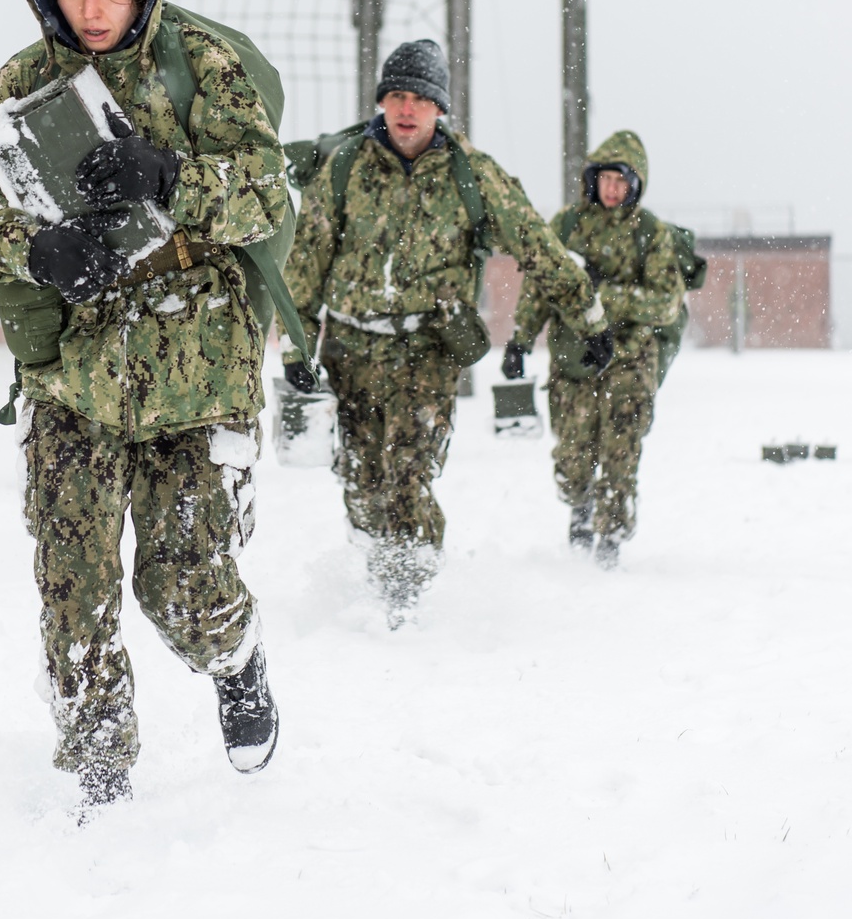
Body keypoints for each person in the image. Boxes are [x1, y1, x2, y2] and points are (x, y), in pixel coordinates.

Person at [0, 0, 289, 814]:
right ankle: (102, 777)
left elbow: (269, 194)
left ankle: (236, 656)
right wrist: (33, 248)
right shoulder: (24, 83)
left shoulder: (203, 65)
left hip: (195, 376)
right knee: (75, 590)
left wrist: (171, 174)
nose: (92, 10)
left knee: (185, 591)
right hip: (73, 381)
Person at [281, 39, 612, 624]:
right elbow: (306, 265)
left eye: (420, 99)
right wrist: (295, 347)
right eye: (396, 96)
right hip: (351, 347)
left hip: (425, 353)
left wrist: (586, 312)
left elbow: (535, 244)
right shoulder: (345, 168)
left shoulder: (473, 175)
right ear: (382, 102)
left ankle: (406, 605)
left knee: (409, 475)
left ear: (440, 109)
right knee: (361, 481)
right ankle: (378, 577)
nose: (407, 109)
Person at [506, 130, 684, 569]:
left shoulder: (651, 234)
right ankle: (580, 510)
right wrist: (521, 339)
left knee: (621, 454)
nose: (612, 189)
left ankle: (610, 541)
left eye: (622, 181)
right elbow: (540, 286)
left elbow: (666, 302)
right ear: (592, 179)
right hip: (575, 359)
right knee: (573, 457)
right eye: (605, 178)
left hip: (629, 360)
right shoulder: (566, 226)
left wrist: (606, 297)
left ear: (635, 186)